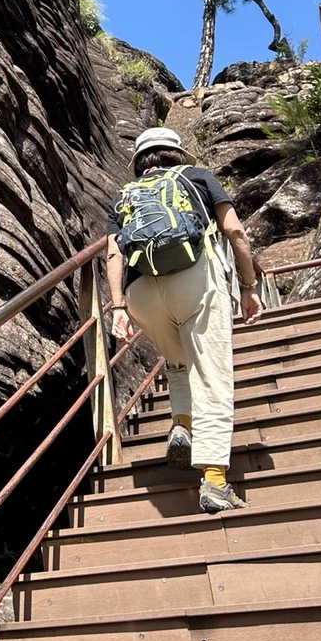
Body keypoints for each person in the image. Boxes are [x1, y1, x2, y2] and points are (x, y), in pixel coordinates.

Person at [106, 126, 264, 514]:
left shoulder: (124, 195)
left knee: (178, 362)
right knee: (211, 374)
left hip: (141, 291)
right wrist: (248, 286)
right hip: (195, 278)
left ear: (140, 162)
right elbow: (235, 231)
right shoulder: (197, 177)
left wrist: (119, 308)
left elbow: (113, 254)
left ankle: (183, 422)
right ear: (176, 154)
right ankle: (214, 481)